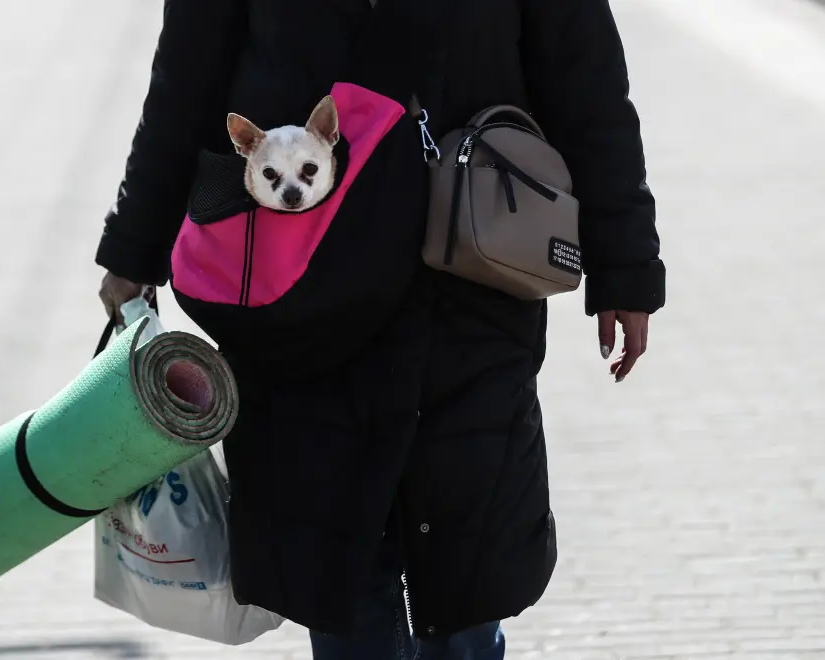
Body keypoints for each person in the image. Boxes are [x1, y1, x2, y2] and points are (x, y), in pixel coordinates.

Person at [96, 0, 665, 658]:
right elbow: (186, 79)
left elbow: (586, 81)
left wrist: (625, 264)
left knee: (466, 593)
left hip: (469, 290)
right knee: (342, 596)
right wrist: (135, 248)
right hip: (297, 307)